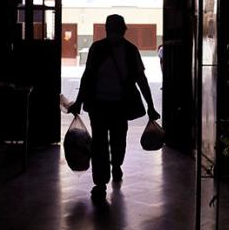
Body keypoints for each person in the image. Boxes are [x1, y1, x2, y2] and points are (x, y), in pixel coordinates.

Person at [68, 14, 160, 202]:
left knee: (100, 145)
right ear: (124, 29)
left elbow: (87, 78)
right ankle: (113, 168)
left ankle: (102, 181)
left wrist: (79, 101)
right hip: (118, 106)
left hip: (99, 106)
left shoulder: (98, 48)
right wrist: (150, 106)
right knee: (118, 140)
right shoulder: (130, 50)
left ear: (106, 29)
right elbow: (141, 80)